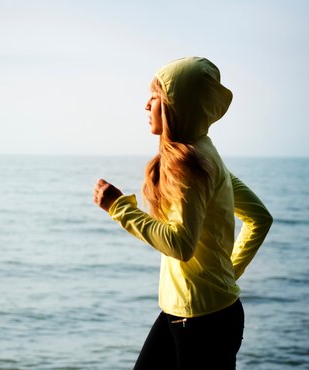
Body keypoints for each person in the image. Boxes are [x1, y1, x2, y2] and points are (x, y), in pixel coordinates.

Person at [93, 57, 273, 370]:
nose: (145, 105)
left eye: (154, 96)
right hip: (195, 313)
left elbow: (181, 244)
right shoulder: (205, 151)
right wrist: (228, 273)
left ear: (176, 106)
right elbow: (260, 216)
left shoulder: (189, 166)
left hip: (201, 323)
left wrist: (119, 208)